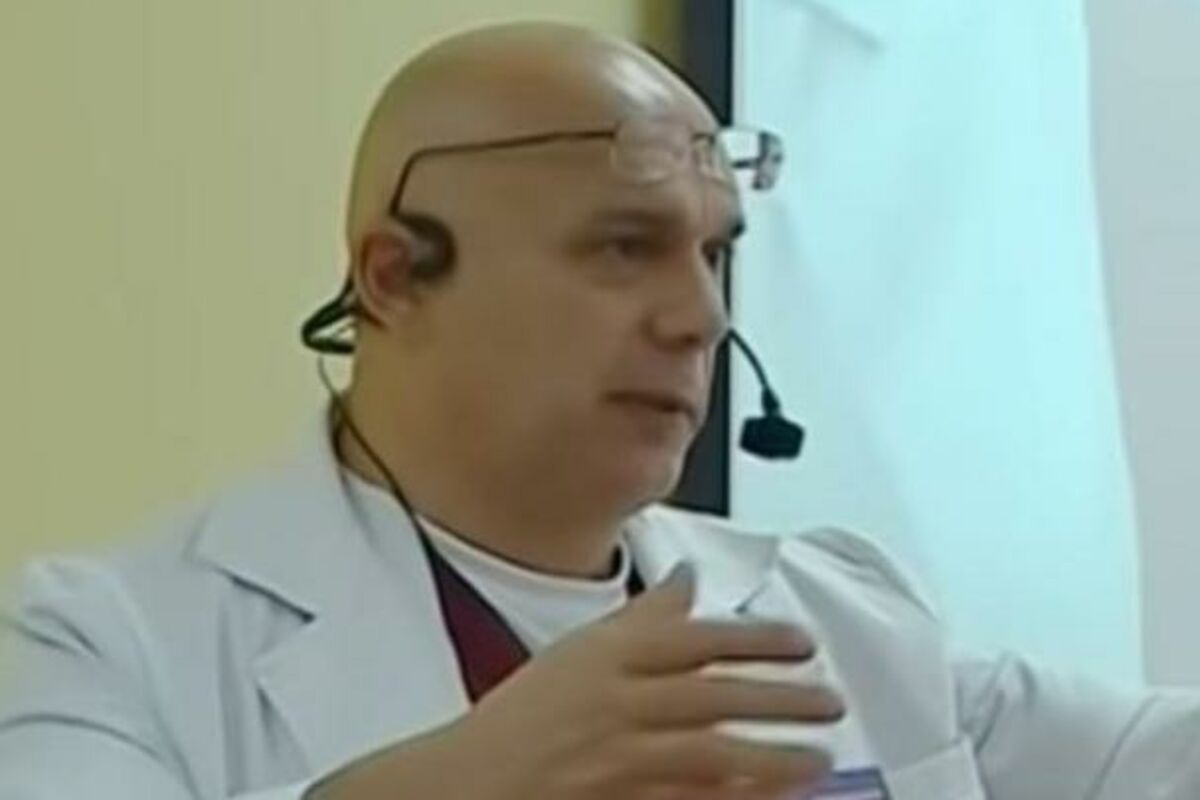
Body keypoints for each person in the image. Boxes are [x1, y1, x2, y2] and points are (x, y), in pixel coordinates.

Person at [1, 21, 1197, 800]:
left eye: (714, 255)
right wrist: (463, 781)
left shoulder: (837, 615)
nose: (701, 317)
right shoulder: (104, 641)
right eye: (626, 247)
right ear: (394, 276)